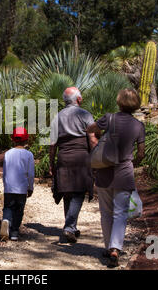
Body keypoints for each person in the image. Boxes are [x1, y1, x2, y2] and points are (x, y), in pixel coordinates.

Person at [86, 89, 145, 268]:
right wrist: (131, 161)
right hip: (125, 172)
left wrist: (96, 143)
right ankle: (115, 248)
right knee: (120, 213)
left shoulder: (108, 118)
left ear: (119, 102)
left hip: (105, 171)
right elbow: (141, 154)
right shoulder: (138, 126)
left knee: (106, 212)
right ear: (136, 105)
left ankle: (108, 246)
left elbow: (90, 129)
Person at [49, 87, 98, 243]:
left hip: (63, 156)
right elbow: (92, 139)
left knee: (67, 192)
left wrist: (52, 163)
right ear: (78, 99)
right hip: (81, 157)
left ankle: (71, 226)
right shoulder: (85, 115)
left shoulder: (57, 117)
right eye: (81, 97)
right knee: (78, 192)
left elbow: (52, 144)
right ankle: (69, 227)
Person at [0, 127, 35, 241]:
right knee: (19, 210)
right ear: (26, 140)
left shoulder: (7, 154)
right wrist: (30, 187)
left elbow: (4, 172)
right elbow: (30, 173)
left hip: (9, 187)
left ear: (13, 140)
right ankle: (14, 232)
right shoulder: (29, 155)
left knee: (8, 207)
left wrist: (5, 184)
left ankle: (6, 220)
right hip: (22, 188)